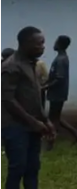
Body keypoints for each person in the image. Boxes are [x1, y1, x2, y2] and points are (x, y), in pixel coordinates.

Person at [2, 26, 55, 189]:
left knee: (32, 168)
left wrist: (46, 120)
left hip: (32, 127)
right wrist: (33, 122)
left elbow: (34, 97)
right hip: (15, 127)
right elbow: (7, 100)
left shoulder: (31, 64)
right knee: (18, 168)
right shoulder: (12, 66)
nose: (43, 47)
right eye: (40, 43)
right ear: (26, 44)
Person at [45, 35, 77, 150]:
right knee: (56, 117)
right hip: (58, 92)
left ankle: (50, 143)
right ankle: (76, 134)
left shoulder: (61, 60)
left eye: (56, 41)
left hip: (57, 93)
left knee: (52, 119)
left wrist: (44, 87)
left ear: (59, 44)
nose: (53, 44)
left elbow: (59, 78)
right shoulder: (61, 57)